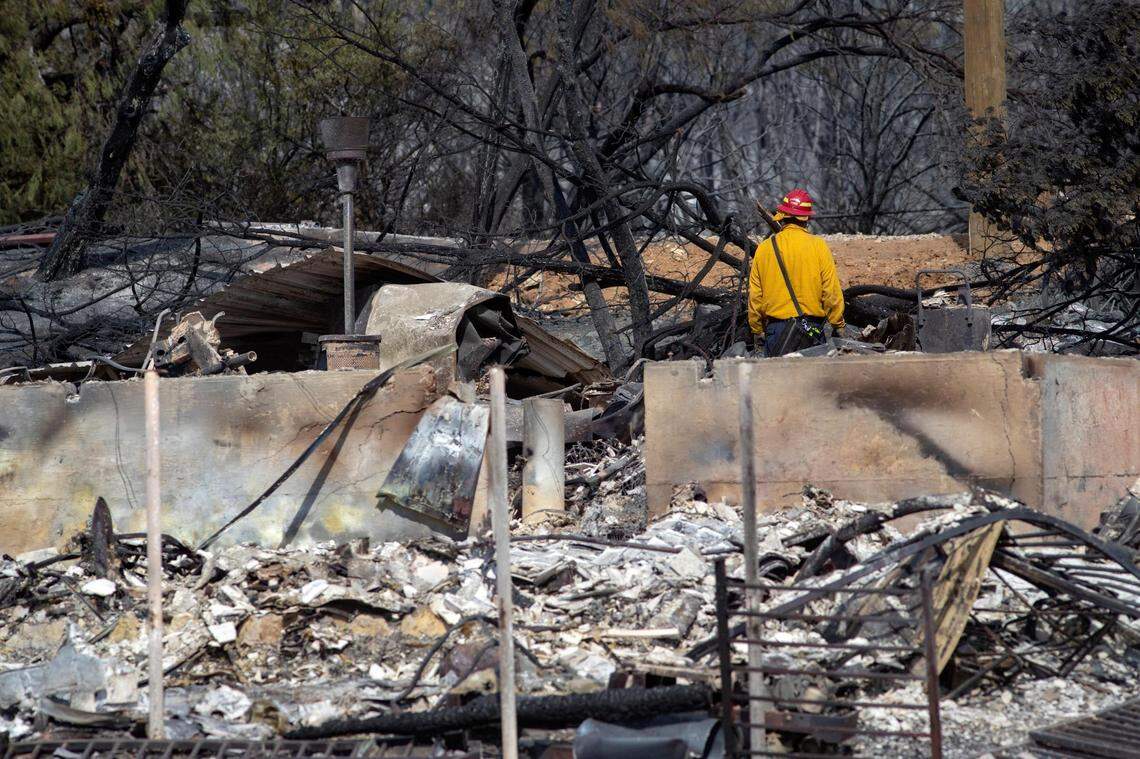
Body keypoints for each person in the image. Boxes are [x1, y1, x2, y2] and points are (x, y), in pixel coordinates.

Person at [747, 189, 845, 356]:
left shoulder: (764, 248)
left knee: (778, 381)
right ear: (807, 218)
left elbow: (755, 295)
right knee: (811, 381)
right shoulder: (818, 246)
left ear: (782, 216)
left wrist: (757, 329)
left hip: (776, 332)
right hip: (811, 331)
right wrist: (838, 325)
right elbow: (831, 292)